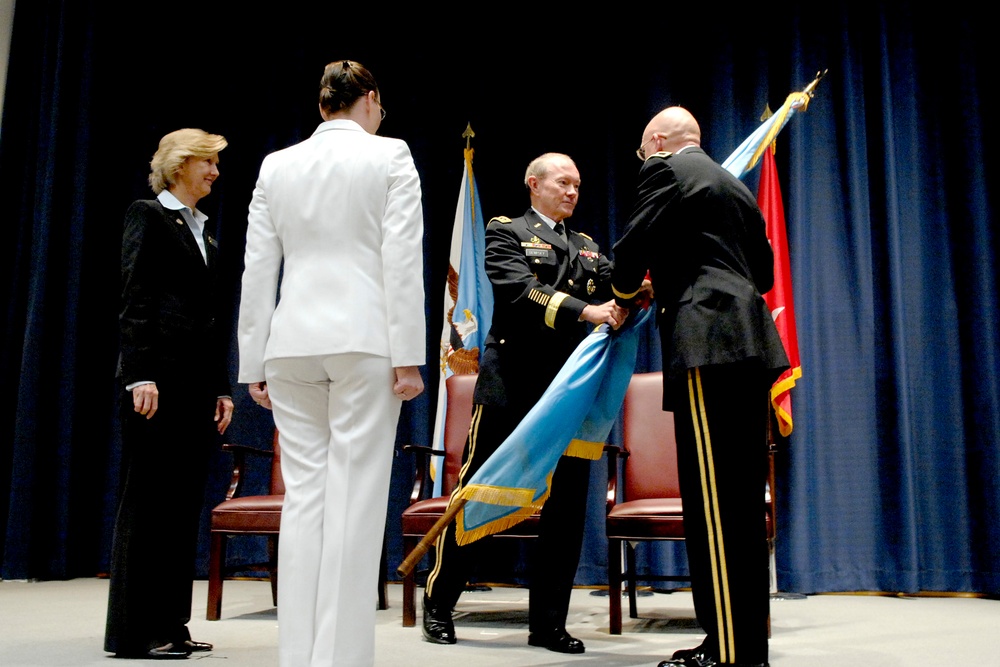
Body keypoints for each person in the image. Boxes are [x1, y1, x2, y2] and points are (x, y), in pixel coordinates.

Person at [237, 60, 425, 667]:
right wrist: (409, 357)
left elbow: (258, 270)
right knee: (355, 504)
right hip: (365, 341)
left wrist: (251, 360)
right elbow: (401, 260)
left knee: (306, 503)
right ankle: (341, 661)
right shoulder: (391, 156)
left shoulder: (276, 164)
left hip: (290, 343)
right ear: (368, 99)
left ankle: (300, 656)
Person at [422, 152, 625, 655]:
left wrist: (634, 292)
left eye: (578, 184)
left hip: (568, 393)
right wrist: (588, 310)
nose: (572, 191)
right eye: (563, 182)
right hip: (511, 385)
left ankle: (549, 623)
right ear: (533, 184)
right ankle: (439, 603)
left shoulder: (587, 246)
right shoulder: (505, 232)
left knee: (567, 509)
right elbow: (519, 291)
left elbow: (613, 287)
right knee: (481, 492)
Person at [610, 107, 789, 667]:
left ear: (658, 142)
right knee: (737, 500)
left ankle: (728, 653)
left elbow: (630, 248)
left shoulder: (665, 170)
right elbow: (761, 274)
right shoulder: (735, 186)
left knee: (713, 505)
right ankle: (740, 644)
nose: (644, 160)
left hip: (706, 345)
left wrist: (623, 292)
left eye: (643, 150)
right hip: (749, 346)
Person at [105, 128, 233, 660]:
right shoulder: (148, 215)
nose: (215, 173)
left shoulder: (204, 231)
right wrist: (139, 374)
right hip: (154, 388)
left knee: (181, 512)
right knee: (148, 508)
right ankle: (136, 633)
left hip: (194, 391)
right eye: (208, 162)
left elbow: (208, 321)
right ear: (181, 164)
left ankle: (171, 625)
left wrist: (220, 387)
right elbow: (135, 297)